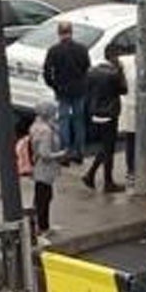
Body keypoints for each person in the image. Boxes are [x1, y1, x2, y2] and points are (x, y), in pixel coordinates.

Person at [43, 22, 91, 163]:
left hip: (62, 90)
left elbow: (47, 71)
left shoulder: (54, 50)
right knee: (79, 121)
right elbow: (86, 67)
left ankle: (64, 153)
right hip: (79, 89)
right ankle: (79, 152)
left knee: (63, 120)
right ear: (71, 32)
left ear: (59, 33)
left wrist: (53, 85)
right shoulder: (82, 49)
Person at [84, 48, 128, 193]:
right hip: (109, 113)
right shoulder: (114, 74)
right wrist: (121, 71)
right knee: (108, 148)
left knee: (105, 146)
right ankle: (107, 181)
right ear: (114, 57)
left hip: (95, 111)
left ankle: (91, 174)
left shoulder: (92, 72)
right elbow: (124, 89)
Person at [30, 102, 65, 240]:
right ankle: (42, 228)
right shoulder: (46, 131)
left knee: (42, 197)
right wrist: (61, 154)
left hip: (39, 169)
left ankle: (43, 226)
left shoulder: (36, 127)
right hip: (44, 170)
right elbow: (45, 154)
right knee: (43, 199)